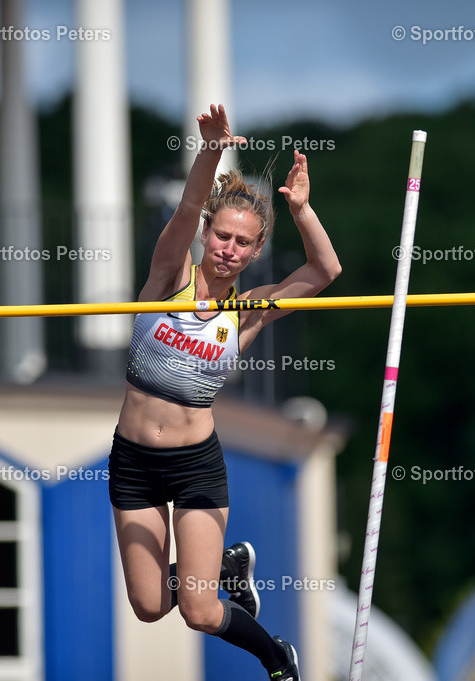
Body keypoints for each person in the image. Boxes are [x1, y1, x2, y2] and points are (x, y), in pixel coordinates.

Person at [109, 104, 341, 681]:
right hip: (133, 461)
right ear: (207, 235)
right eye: (222, 235)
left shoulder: (248, 312)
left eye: (243, 242)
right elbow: (187, 208)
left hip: (195, 465)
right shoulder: (170, 276)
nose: (229, 248)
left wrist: (303, 211)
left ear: (255, 250)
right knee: (147, 605)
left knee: (198, 610)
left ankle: (276, 655)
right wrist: (211, 149)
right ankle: (226, 565)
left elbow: (324, 272)